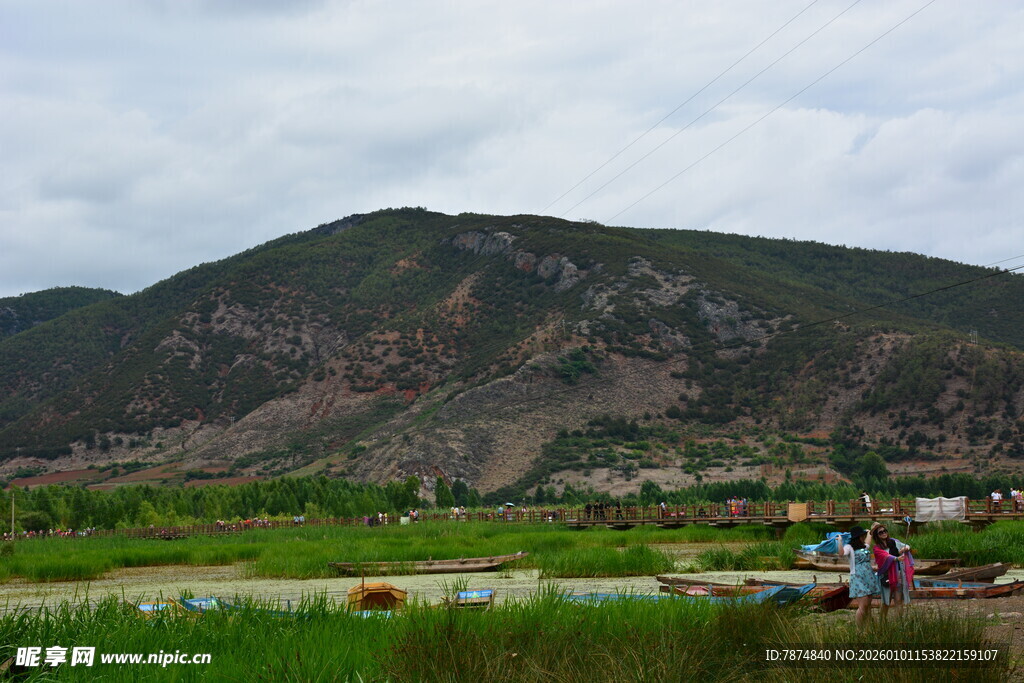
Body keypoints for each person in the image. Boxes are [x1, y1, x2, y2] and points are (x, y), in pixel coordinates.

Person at [839, 525, 879, 629]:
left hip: (868, 575)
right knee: (863, 604)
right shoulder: (849, 547)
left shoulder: (864, 546)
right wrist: (839, 541)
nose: (863, 537)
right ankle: (859, 629)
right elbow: (841, 554)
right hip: (858, 576)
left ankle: (868, 627)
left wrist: (870, 529)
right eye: (862, 535)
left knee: (868, 603)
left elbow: (869, 539)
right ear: (858, 537)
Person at [870, 522, 913, 618]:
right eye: (880, 532)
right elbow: (886, 557)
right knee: (886, 601)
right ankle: (883, 622)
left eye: (885, 531)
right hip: (886, 576)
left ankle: (900, 623)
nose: (884, 533)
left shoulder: (894, 542)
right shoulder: (877, 548)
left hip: (898, 574)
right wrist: (897, 557)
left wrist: (905, 548)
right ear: (876, 536)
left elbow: (907, 546)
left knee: (898, 600)